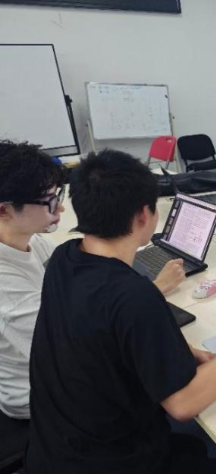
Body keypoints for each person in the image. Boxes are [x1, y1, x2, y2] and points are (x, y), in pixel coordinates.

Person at [26, 149, 216, 474]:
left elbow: (99, 334)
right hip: (112, 465)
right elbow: (183, 404)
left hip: (54, 453)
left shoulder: (64, 259)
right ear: (143, 216)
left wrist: (179, 352)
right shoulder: (133, 296)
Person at [0, 141, 185, 421]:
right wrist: (152, 292)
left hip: (64, 372)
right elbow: (74, 345)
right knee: (173, 386)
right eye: (48, 200)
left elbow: (83, 282)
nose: (61, 208)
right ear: (4, 211)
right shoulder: (6, 285)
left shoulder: (32, 242)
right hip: (40, 396)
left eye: (58, 195)